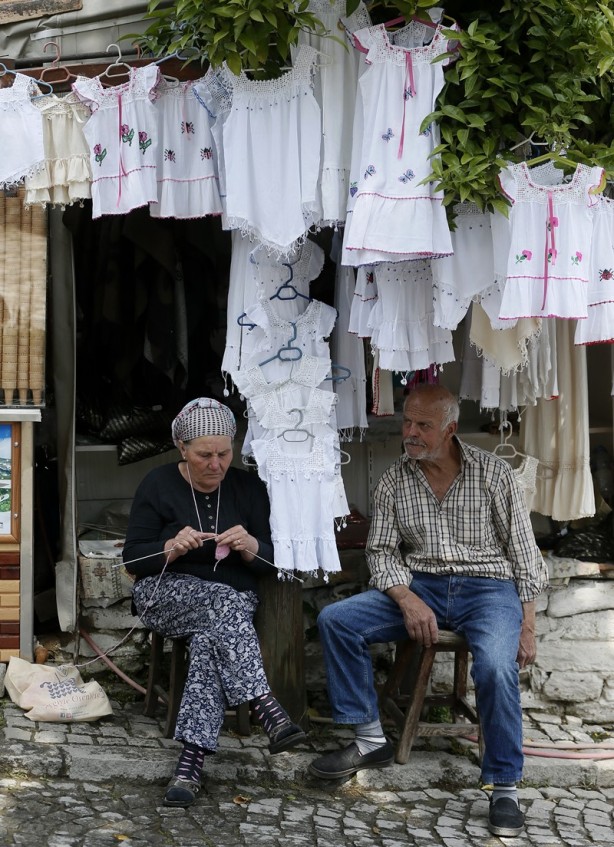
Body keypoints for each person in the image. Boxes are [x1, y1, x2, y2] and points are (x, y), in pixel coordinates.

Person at [309, 384, 549, 838]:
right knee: (336, 620)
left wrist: (528, 623)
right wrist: (407, 596)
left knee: (496, 668)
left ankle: (504, 785)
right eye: (408, 422)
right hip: (421, 586)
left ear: (450, 429)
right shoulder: (395, 479)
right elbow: (380, 554)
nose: (411, 433)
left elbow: (524, 553)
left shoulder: (494, 473)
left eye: (424, 425)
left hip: (489, 588)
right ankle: (369, 740)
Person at [123, 397, 306, 808]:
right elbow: (133, 559)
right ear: (182, 448)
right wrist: (170, 548)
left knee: (212, 638)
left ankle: (189, 767)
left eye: (224, 453)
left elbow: (272, 563)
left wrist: (250, 546)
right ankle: (266, 706)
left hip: (230, 606)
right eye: (204, 454)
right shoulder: (156, 483)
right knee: (224, 602)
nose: (216, 464)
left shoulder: (248, 487)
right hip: (165, 595)